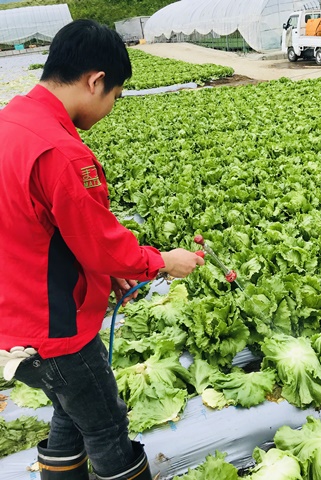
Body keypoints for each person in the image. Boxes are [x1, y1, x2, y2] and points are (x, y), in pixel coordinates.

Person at [0, 19, 204, 480]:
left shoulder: (11, 122)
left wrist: (101, 270)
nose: (111, 107)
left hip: (15, 324)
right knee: (108, 429)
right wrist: (163, 262)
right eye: (114, 95)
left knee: (71, 414)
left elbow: (34, 228)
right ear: (95, 81)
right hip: (57, 334)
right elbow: (101, 245)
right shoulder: (59, 151)